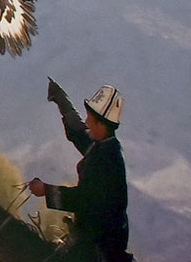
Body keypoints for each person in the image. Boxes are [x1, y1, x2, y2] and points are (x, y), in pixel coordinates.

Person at [29, 80, 133, 262]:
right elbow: (79, 132)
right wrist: (62, 101)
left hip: (101, 249)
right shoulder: (102, 146)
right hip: (90, 241)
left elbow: (85, 199)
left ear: (101, 124)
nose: (86, 122)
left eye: (90, 119)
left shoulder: (109, 160)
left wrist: (45, 190)